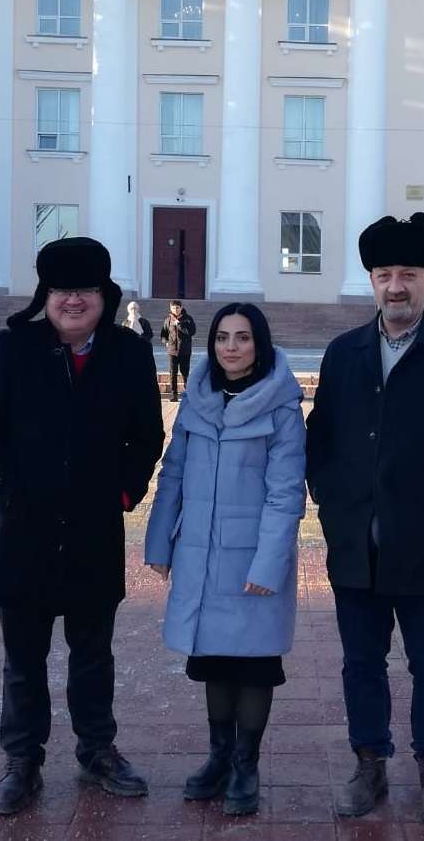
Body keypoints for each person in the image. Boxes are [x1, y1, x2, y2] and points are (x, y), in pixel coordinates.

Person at [305, 212, 424, 828]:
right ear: (371, 280)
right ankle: (369, 763)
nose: (396, 286)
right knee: (360, 663)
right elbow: (322, 433)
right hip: (354, 543)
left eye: (409, 274)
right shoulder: (344, 354)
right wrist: (330, 497)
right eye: (385, 274)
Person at [0, 237, 165, 816]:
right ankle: (22, 759)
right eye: (61, 289)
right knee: (23, 658)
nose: (73, 300)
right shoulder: (13, 349)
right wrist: (6, 493)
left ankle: (97, 750)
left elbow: (147, 436)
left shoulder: (128, 353)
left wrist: (123, 493)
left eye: (86, 289)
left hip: (93, 531)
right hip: (25, 530)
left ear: (105, 295)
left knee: (93, 654)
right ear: (45, 295)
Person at [144, 303, 306, 816]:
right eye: (222, 338)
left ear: (260, 344)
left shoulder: (281, 406)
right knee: (213, 657)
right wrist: (160, 543)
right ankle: (218, 756)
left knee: (254, 663)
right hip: (200, 552)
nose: (231, 347)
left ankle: (245, 763)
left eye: (242, 337)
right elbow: (173, 474)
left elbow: (286, 492)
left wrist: (268, 564)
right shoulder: (197, 401)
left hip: (251, 557)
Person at [161, 299, 196, 402]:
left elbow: (192, 332)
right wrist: (166, 342)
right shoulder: (168, 320)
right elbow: (163, 334)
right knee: (173, 373)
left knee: (185, 373)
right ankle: (174, 395)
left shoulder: (188, 319)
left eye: (177, 308)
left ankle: (187, 394)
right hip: (172, 351)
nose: (175, 310)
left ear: (181, 308)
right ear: (170, 308)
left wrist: (179, 325)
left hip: (185, 351)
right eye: (173, 308)